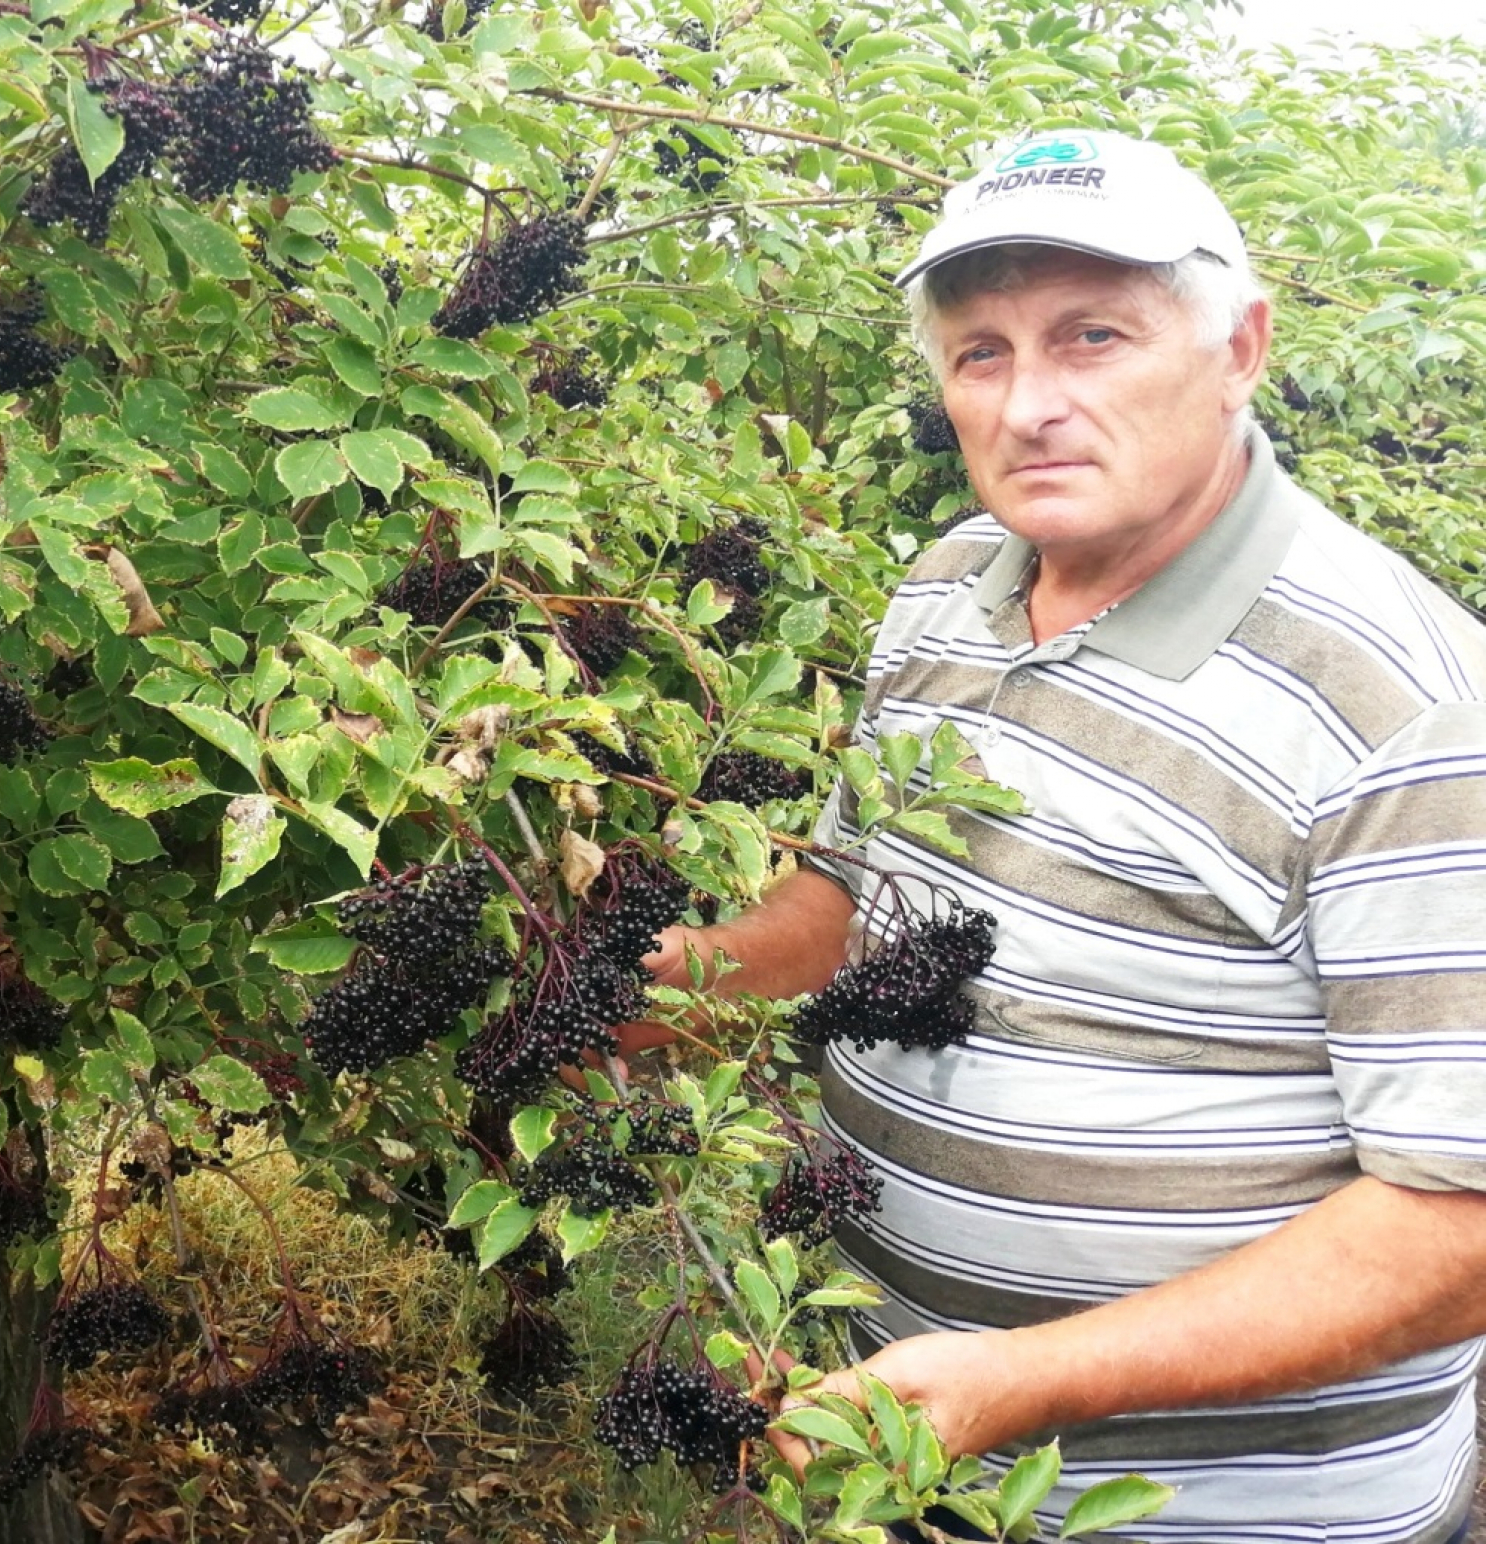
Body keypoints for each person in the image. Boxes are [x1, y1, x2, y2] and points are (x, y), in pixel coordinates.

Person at [629, 128, 1486, 1543]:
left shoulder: (1413, 712)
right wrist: (679, 981)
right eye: (983, 352)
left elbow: (1457, 1224)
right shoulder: (953, 578)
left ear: (1241, 349)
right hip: (902, 1456)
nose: (1031, 403)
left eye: (1094, 338)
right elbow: (858, 898)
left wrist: (1026, 1380)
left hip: (1216, 1514)